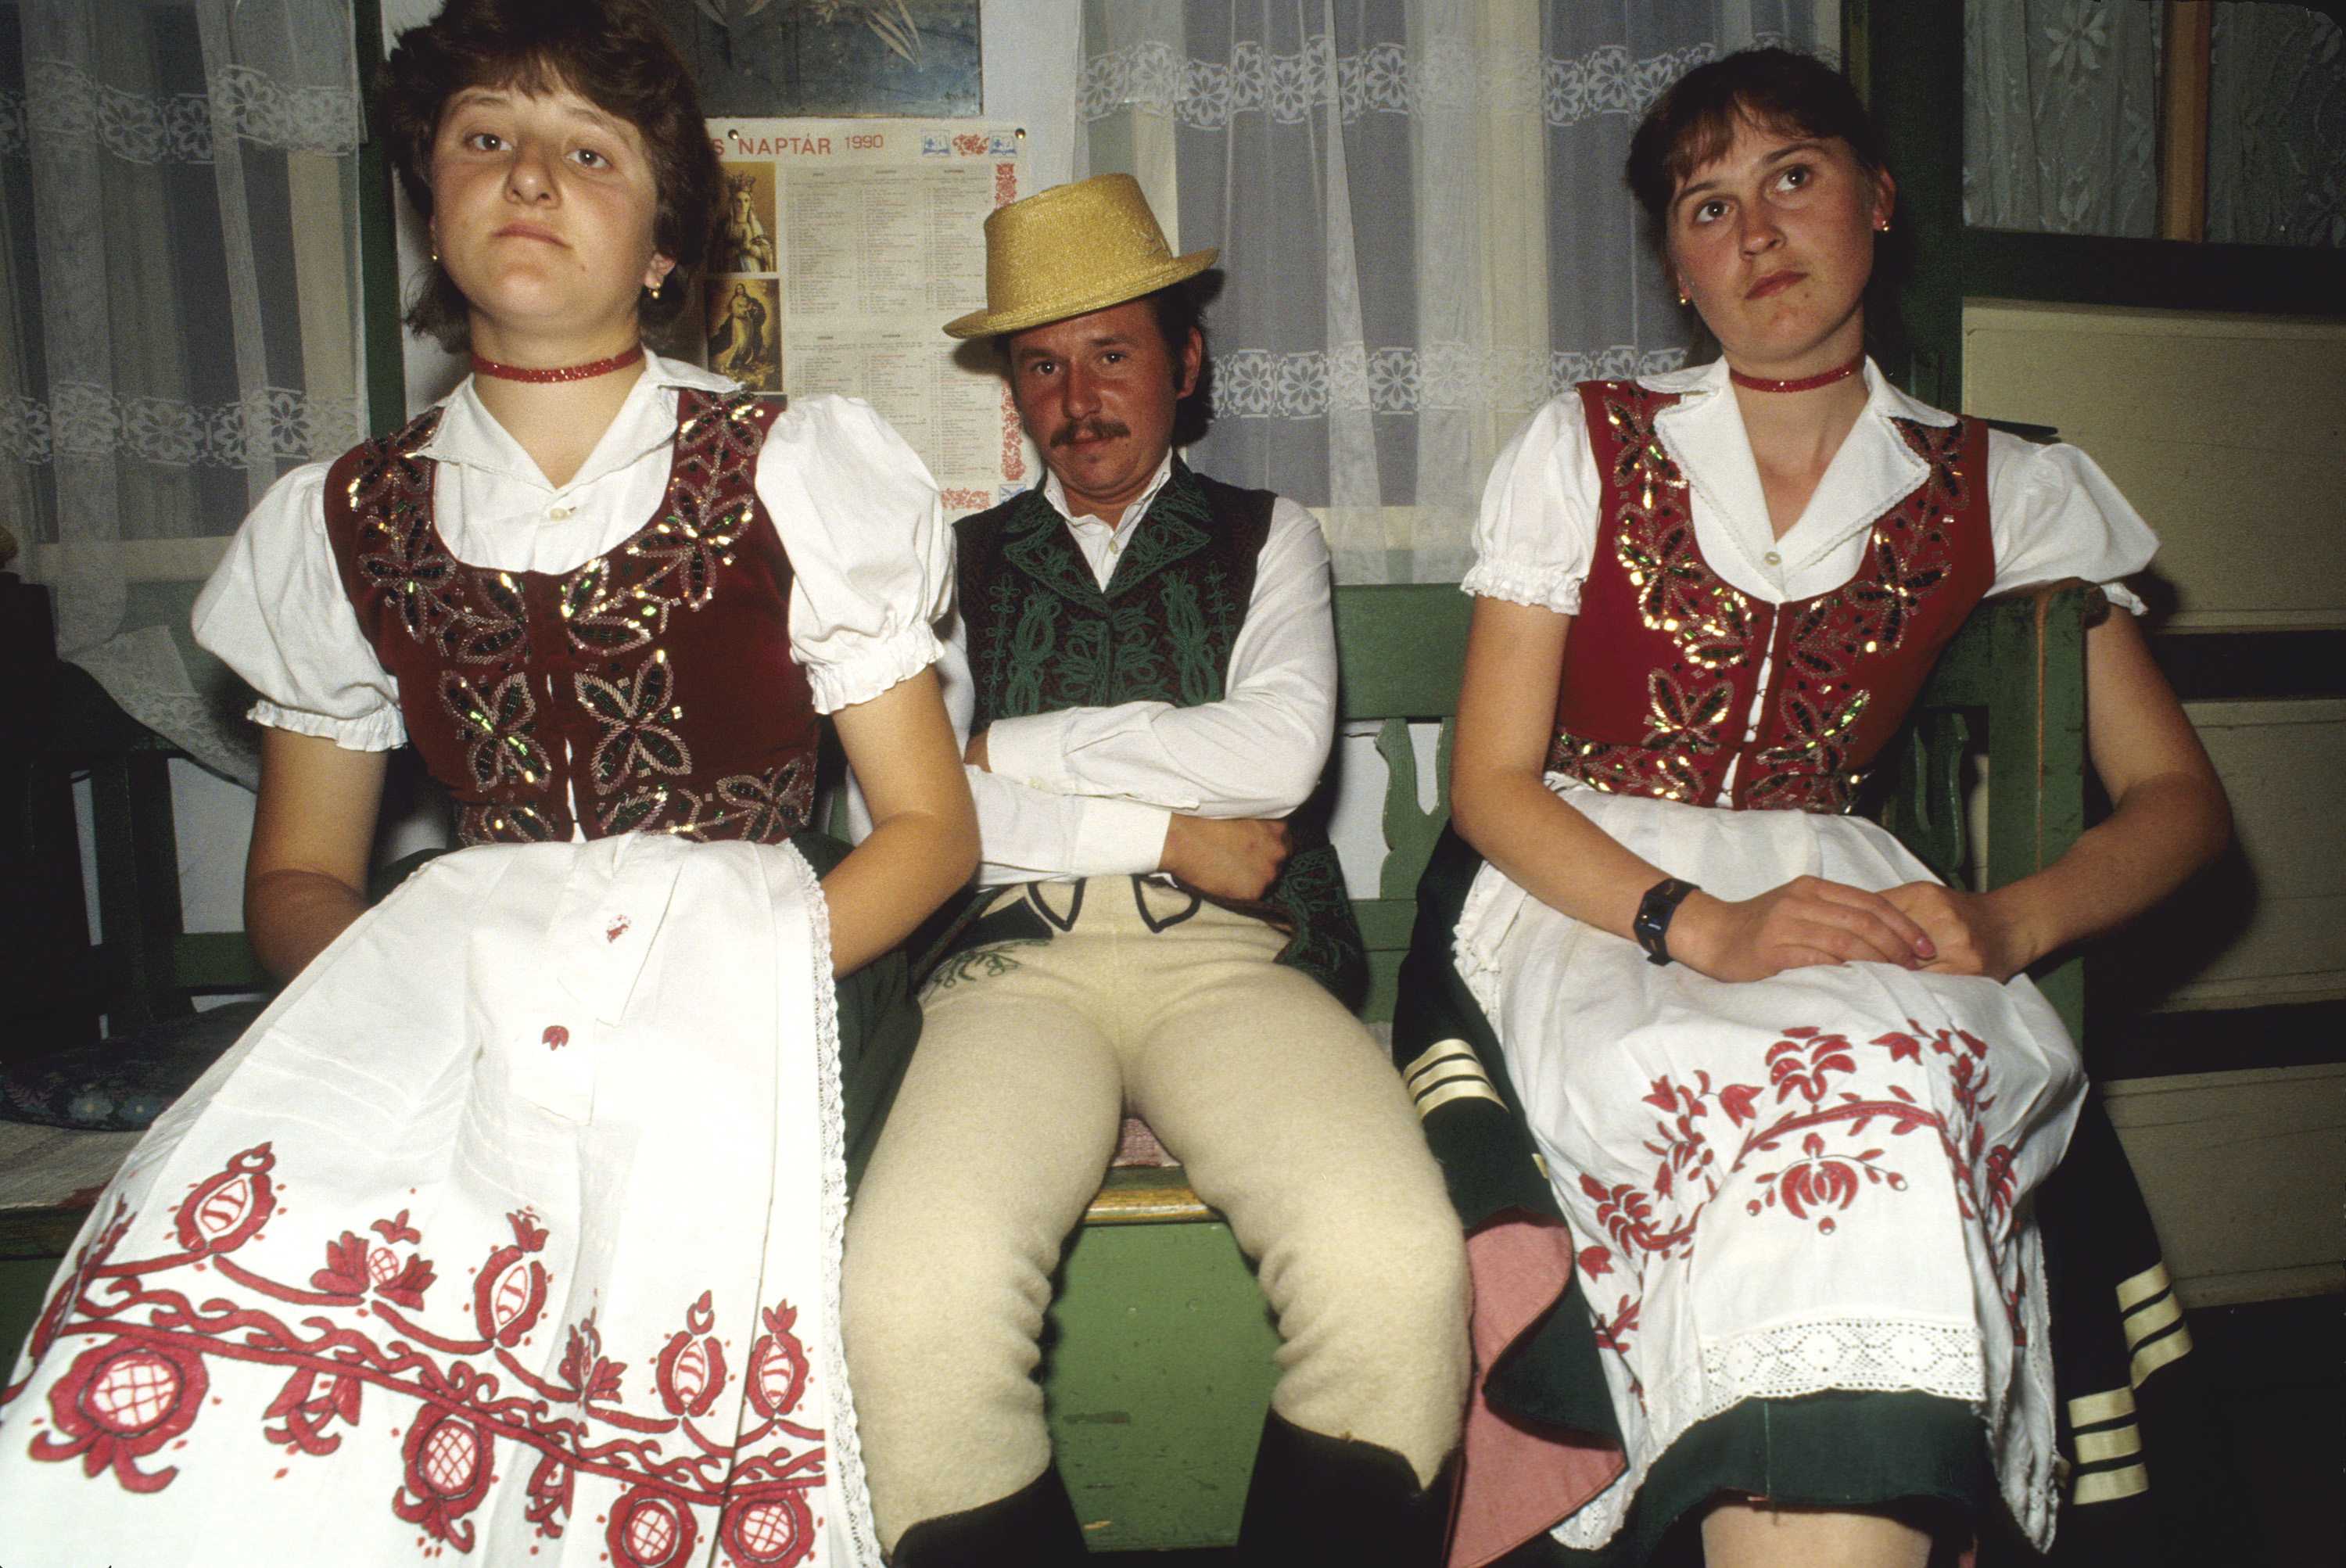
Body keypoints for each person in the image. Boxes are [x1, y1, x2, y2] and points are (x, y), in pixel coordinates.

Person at [0, 3, 974, 1563]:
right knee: (266, 1275)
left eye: (591, 152)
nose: (531, 175)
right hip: (462, 996)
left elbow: (928, 832)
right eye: (486, 139)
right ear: (430, 202)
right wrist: (431, 1000)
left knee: (672, 1284)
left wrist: (719, 982)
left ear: (665, 243)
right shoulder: (344, 518)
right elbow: (298, 881)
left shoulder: (797, 469)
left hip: (774, 987)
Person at [1391, 48, 2229, 1568]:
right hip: (1585, 880)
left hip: (1838, 873)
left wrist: (2010, 921)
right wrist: (1697, 923)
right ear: (1678, 270)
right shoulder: (1587, 443)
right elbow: (1492, 783)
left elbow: (2179, 800)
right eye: (1708, 207)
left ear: (1879, 199)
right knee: (1745, 1089)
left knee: (1896, 1081)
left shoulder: (1999, 481)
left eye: (1792, 176)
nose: (1759, 232)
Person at [838, 174, 1471, 1566]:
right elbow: (920, 810)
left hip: (1232, 957)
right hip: (1006, 967)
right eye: (1041, 365)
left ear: (1185, 364)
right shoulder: (948, 566)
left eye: (1112, 351)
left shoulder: (1266, 535)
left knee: (1395, 1266)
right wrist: (1170, 828)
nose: (1078, 399)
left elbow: (1277, 754)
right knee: (912, 1301)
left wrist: (1019, 749)